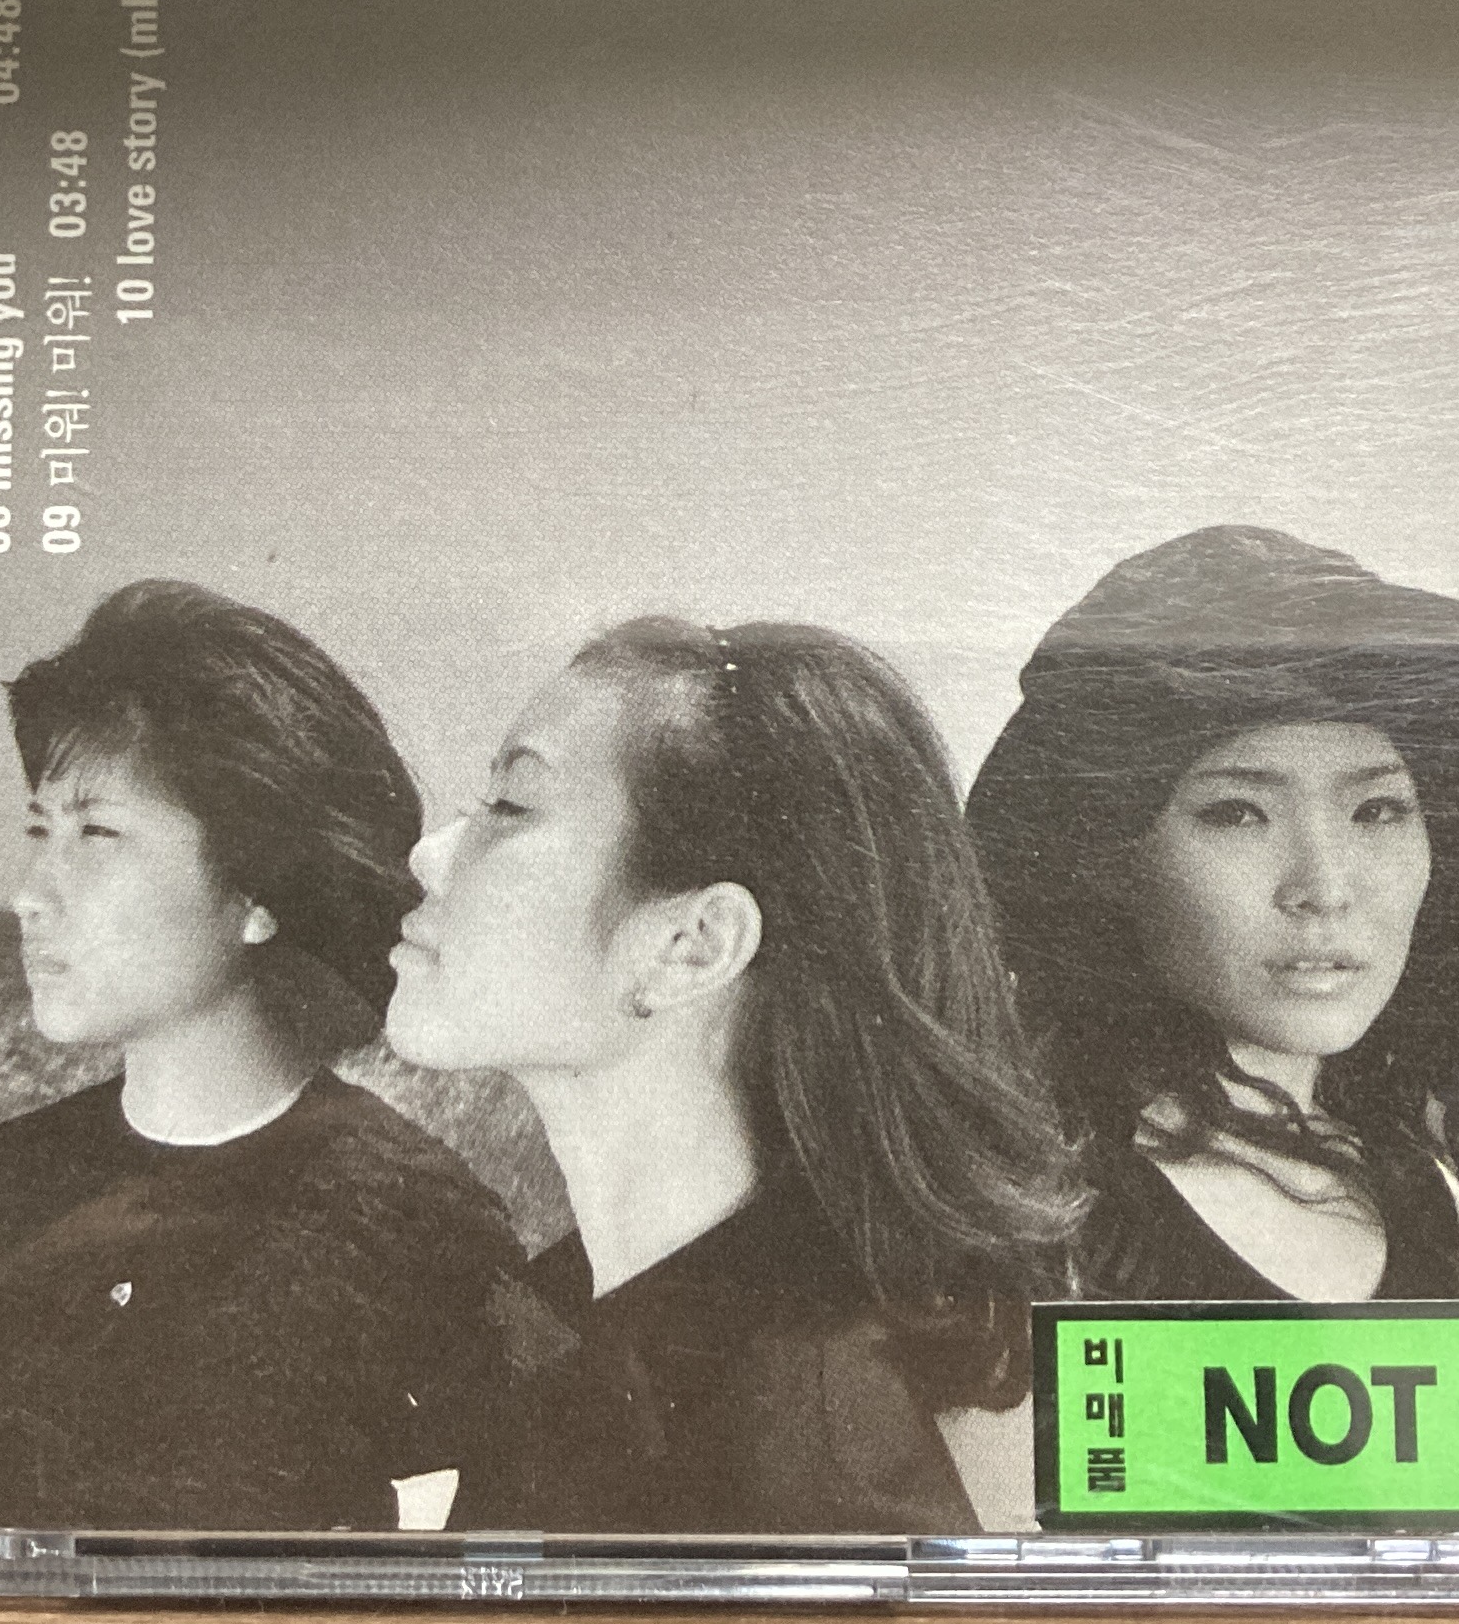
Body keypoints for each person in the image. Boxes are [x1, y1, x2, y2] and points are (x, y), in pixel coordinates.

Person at [384, 617, 1082, 1534]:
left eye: (510, 808)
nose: (429, 853)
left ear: (694, 945)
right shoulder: (594, 1319)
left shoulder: (792, 1458)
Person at [0, 580, 528, 1532]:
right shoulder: (1, 1184)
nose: (31, 893)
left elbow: (450, 1572)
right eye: (40, 830)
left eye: (97, 833)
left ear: (258, 892)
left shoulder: (416, 1226)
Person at [964, 526, 1459, 1307]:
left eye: (1377, 809)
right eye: (1237, 812)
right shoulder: (1036, 1219)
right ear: (1106, 854)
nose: (1324, 889)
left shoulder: (1415, 1189)